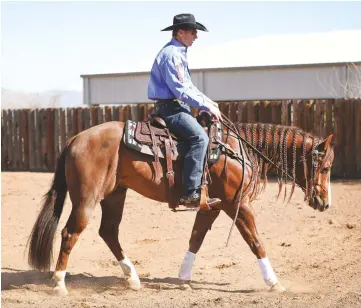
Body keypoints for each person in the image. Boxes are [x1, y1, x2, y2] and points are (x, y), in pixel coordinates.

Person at [147, 13, 222, 207]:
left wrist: (208, 102)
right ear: (181, 32)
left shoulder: (177, 53)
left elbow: (188, 87)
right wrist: (205, 105)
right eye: (193, 31)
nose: (196, 36)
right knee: (200, 138)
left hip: (175, 105)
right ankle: (191, 192)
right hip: (171, 108)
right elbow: (180, 90)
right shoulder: (172, 54)